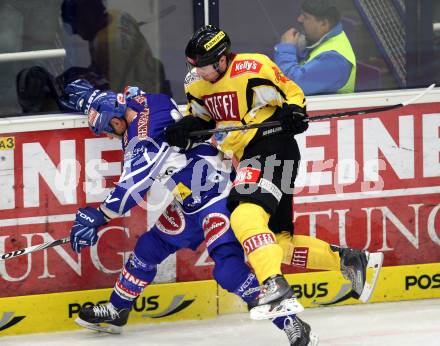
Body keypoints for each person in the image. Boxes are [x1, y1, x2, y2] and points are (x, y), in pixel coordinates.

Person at [164, 24, 382, 343]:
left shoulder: (253, 68)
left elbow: (291, 92)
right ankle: (350, 260)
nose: (199, 72)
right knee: (276, 244)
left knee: (243, 215)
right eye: (194, 66)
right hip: (250, 157)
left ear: (222, 59)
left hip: (272, 148)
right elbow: (204, 118)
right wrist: (185, 128)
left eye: (204, 65)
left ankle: (275, 289)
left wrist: (295, 112)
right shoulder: (197, 86)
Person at [61, 79, 318, 345]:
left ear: (116, 123)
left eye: (109, 132)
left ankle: (292, 323)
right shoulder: (147, 101)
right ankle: (117, 310)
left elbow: (133, 186)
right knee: (150, 247)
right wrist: (91, 99)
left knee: (229, 270)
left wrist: (99, 216)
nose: (111, 137)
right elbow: (126, 97)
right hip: (191, 198)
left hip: (219, 197)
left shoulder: (142, 139)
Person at [60, 0, 170, 94]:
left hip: (142, 99)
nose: (77, 33)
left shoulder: (108, 44)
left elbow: (112, 90)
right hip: (150, 80)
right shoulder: (118, 15)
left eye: (76, 27)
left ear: (86, 18)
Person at [274, 0, 356, 95]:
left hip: (328, 109)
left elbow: (293, 86)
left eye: (305, 17)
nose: (299, 19)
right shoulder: (322, 38)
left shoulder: (335, 60)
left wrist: (286, 49)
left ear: (324, 24)